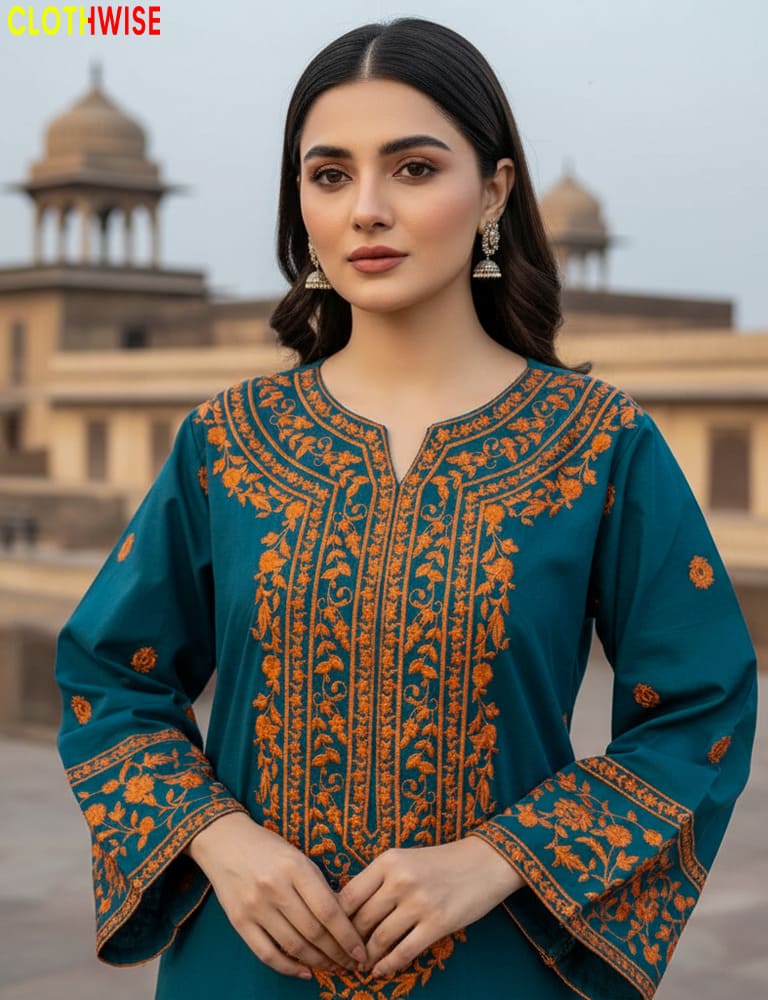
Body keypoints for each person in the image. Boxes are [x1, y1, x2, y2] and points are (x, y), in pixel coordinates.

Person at [54, 16, 757, 1000]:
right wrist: (219, 837)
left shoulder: (598, 445)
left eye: (414, 169)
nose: (367, 209)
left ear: (495, 191)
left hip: (501, 962)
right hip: (245, 964)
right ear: (299, 202)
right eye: (330, 174)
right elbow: (110, 677)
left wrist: (501, 855)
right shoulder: (227, 441)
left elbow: (701, 707)